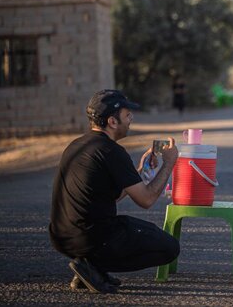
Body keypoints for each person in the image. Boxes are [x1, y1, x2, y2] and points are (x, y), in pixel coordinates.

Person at [49, 89, 180, 294]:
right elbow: (146, 200)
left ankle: (89, 267)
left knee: (141, 230)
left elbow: (111, 195)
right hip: (93, 239)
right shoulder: (112, 151)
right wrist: (169, 163)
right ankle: (94, 266)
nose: (131, 120)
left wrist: (140, 173)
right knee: (170, 247)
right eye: (127, 115)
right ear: (112, 121)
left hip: (62, 237)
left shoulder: (77, 145)